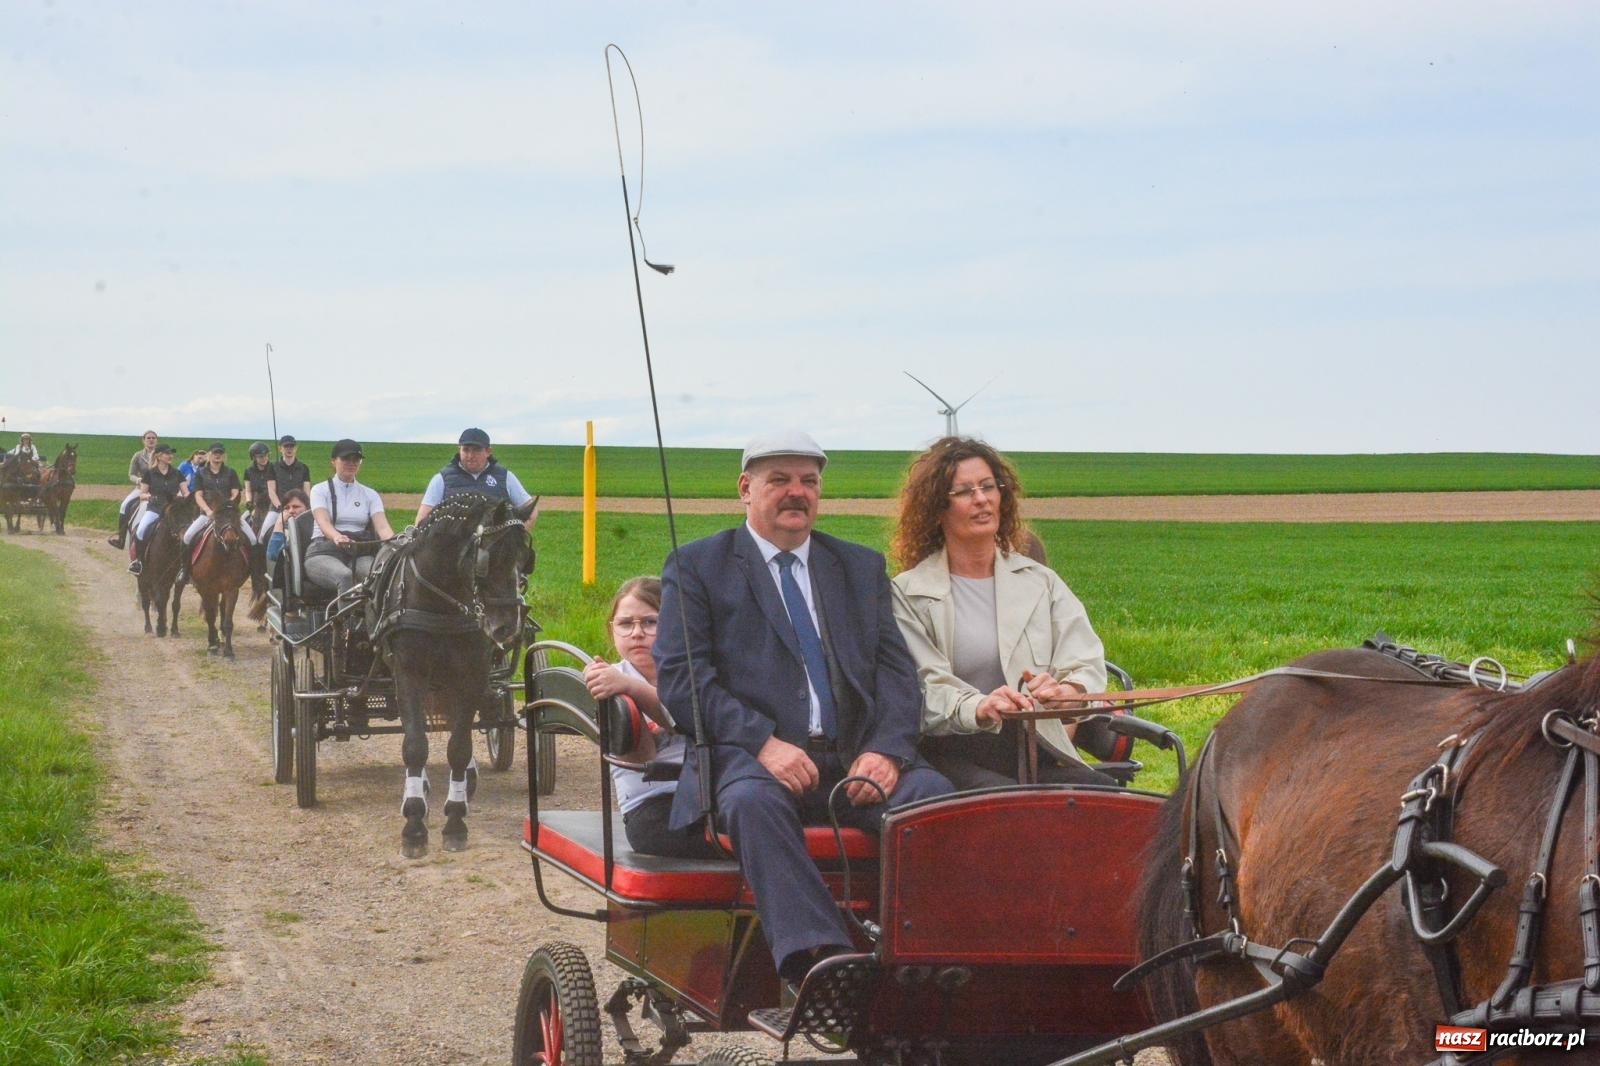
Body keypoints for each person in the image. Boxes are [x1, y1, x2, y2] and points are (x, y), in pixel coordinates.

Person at [653, 430, 953, 989]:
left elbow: (896, 674)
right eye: (780, 480)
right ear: (746, 489)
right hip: (750, 759)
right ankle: (822, 966)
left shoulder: (859, 568)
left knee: (934, 801)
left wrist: (887, 751)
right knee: (750, 804)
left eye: (808, 481)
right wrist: (764, 744)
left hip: (854, 757)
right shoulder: (697, 566)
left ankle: (923, 960)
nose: (797, 492)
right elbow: (682, 680)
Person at [888, 437, 1112, 792]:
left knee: (1102, 795)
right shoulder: (908, 593)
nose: (981, 499)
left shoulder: (1041, 583)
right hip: (949, 752)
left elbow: (1085, 660)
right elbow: (923, 688)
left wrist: (1068, 691)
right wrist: (979, 706)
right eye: (963, 491)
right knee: (1008, 807)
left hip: (1034, 747)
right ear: (936, 508)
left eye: (988, 486)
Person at [582, 577, 725, 859]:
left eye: (650, 622)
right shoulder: (610, 682)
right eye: (625, 624)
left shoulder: (697, 674)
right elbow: (642, 758)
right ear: (612, 630)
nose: (637, 633)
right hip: (654, 809)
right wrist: (628, 687)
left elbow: (697, 720)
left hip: (711, 796)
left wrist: (634, 689)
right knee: (748, 836)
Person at [305, 438, 395, 595]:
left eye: (356, 459)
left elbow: (383, 527)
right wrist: (337, 537)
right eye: (346, 458)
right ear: (333, 461)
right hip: (324, 551)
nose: (352, 463)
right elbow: (323, 521)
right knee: (344, 576)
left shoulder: (370, 495)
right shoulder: (319, 490)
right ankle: (346, 620)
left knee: (381, 576)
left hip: (358, 552)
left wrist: (397, 542)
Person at [414, 428, 538, 529]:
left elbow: (530, 511)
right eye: (466, 450)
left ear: (488, 451)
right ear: (459, 450)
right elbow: (421, 520)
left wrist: (515, 538)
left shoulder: (505, 478)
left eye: (476, 450)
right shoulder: (442, 479)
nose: (470, 456)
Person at [126, 444, 189, 575]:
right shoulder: (149, 474)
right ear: (159, 456)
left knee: (188, 533)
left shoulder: (177, 473)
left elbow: (185, 492)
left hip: (173, 511)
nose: (170, 456)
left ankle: (186, 567)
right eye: (167, 453)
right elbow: (142, 494)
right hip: (155, 509)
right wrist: (149, 497)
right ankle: (138, 561)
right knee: (141, 530)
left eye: (171, 454)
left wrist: (191, 499)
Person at [183, 443, 254, 552]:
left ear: (224, 456)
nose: (218, 455)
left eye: (220, 453)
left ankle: (252, 568)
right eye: (215, 453)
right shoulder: (200, 473)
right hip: (208, 514)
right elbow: (198, 495)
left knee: (252, 539)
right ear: (209, 455)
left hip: (228, 515)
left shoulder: (231, 472)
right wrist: (208, 511)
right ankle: (186, 568)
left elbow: (235, 493)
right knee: (187, 537)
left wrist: (227, 506)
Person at [107, 430, 159, 549]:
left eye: (153, 438)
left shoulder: (161, 455)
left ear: (157, 440)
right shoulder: (138, 456)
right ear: (143, 440)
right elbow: (131, 474)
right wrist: (139, 480)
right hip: (141, 488)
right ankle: (121, 538)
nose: (151, 440)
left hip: (158, 488)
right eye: (148, 438)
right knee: (125, 505)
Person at [242, 442, 278, 541]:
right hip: (256, 504)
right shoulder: (248, 471)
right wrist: (249, 504)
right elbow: (248, 490)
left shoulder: (274, 468)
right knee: (242, 522)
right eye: (261, 456)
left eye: (266, 455)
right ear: (254, 457)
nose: (264, 458)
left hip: (271, 503)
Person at [269, 435, 311, 514]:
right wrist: (279, 507)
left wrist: (305, 507)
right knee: (266, 526)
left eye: (291, 446)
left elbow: (306, 492)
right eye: (286, 446)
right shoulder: (272, 467)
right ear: (280, 449)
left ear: (296, 448)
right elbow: (271, 491)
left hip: (298, 509)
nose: (289, 449)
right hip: (277, 509)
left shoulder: (304, 468)